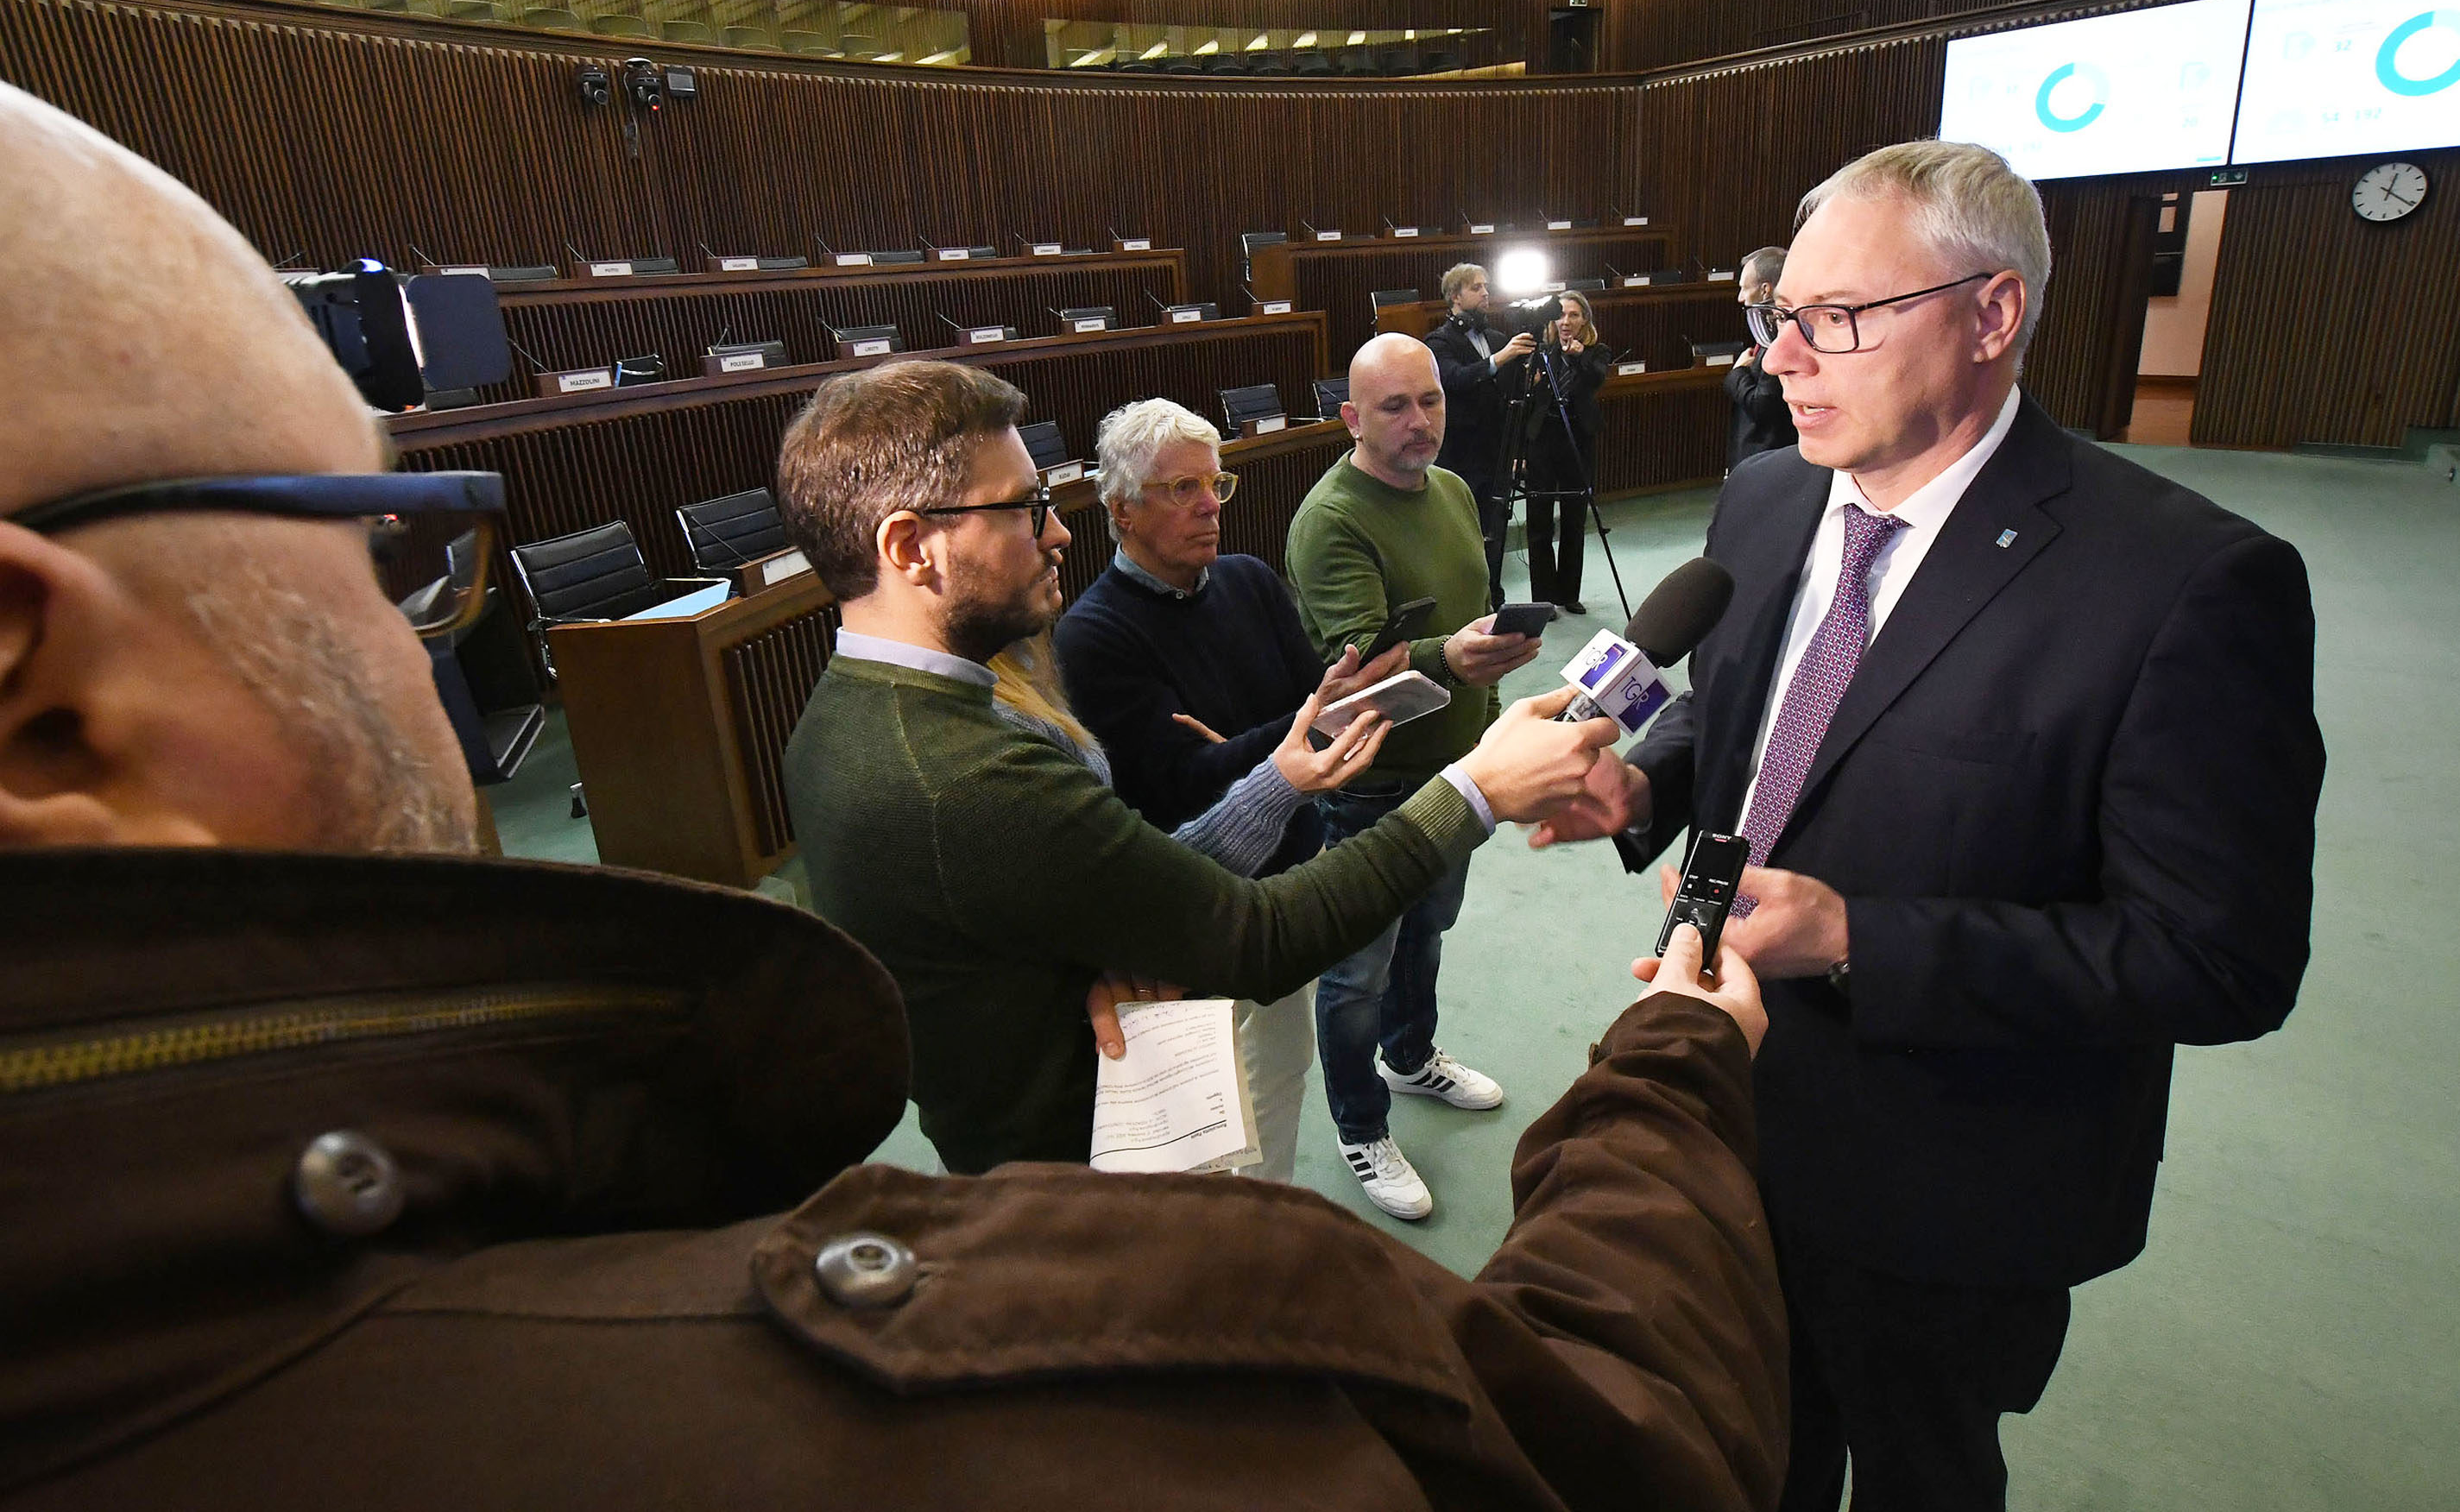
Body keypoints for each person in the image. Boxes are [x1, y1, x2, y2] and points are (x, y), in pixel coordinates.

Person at [0, 76, 1794, 1511]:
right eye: (380, 545)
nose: (1066, 529)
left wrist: (1263, 779)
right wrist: (1501, 834)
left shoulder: (915, 702)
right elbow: (1593, 1442)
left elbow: (1122, 861)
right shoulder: (951, 774)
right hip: (1081, 1158)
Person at [1536, 140, 2327, 1512]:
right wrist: (1648, 786)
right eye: (1776, 315)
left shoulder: (2187, 586)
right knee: (1744, 1454)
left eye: (1837, 319)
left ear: (1989, 315)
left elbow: (2220, 957)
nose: (1783, 359)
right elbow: (1747, 700)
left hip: (1953, 1183)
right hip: (1719, 1116)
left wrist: (1857, 938)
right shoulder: (1773, 491)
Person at [775, 357, 1620, 1177]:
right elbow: (1255, 933)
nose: (1060, 530)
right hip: (1080, 1175)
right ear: (911, 547)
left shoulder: (849, 709)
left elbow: (1075, 897)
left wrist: (1114, 947)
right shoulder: (964, 773)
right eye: (1026, 507)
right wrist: (1478, 786)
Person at [1051, 398, 1403, 1181]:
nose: (1210, 505)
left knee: (1280, 1080)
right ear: (1123, 512)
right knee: (1211, 1132)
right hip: (1191, 917)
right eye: (1182, 489)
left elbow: (1290, 721)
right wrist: (1284, 736)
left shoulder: (1245, 579)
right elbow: (1174, 789)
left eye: (1215, 483)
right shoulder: (1092, 634)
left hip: (1289, 888)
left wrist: (1273, 731)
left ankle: (1268, 1220)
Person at [1284, 333, 1545, 1220]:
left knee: (1427, 930)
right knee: (1357, 970)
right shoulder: (1332, 520)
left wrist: (1492, 649)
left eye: (1429, 400)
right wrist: (1455, 657)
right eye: (1394, 407)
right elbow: (1357, 680)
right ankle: (1361, 1121)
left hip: (1456, 767)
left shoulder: (1453, 488)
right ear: (1352, 417)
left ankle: (1411, 1055)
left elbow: (1463, 613)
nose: (1419, 421)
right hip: (1372, 783)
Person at [1423, 261, 1535, 607]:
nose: (1486, 293)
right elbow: (1455, 378)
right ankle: (1464, 601)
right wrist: (1501, 359)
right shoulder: (1439, 341)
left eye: (1486, 287)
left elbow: (1512, 396)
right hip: (1462, 456)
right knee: (1463, 531)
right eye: (1476, 287)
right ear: (1455, 296)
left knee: (1496, 529)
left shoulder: (1499, 339)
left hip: (1497, 452)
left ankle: (1495, 597)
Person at [1523, 288, 1610, 614]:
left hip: (1579, 440)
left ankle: (1569, 593)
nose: (1566, 321)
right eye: (1560, 315)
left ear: (1585, 319)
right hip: (1542, 441)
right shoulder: (1541, 351)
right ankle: (1544, 597)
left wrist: (1578, 356)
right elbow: (1524, 399)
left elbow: (1595, 380)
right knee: (1539, 520)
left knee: (1574, 520)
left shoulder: (1596, 352)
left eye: (1573, 314)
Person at [1725, 246, 1798, 469]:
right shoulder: (1771, 329)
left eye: (1744, 289)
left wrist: (1737, 373)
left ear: (1766, 290)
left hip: (1766, 457)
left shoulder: (1778, 336)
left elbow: (1763, 406)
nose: (1740, 298)